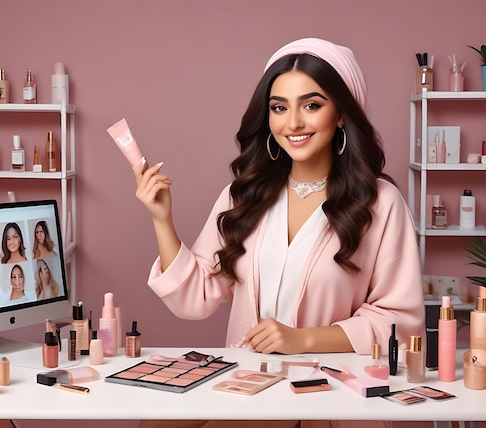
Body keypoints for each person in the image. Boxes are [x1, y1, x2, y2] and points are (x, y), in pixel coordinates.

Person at [134, 38, 425, 358]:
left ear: (341, 114)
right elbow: (194, 298)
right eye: (279, 107)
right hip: (248, 393)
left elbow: (400, 322)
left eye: (312, 105)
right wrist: (162, 219)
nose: (293, 122)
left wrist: (304, 340)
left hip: (331, 394)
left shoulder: (380, 203)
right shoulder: (243, 197)